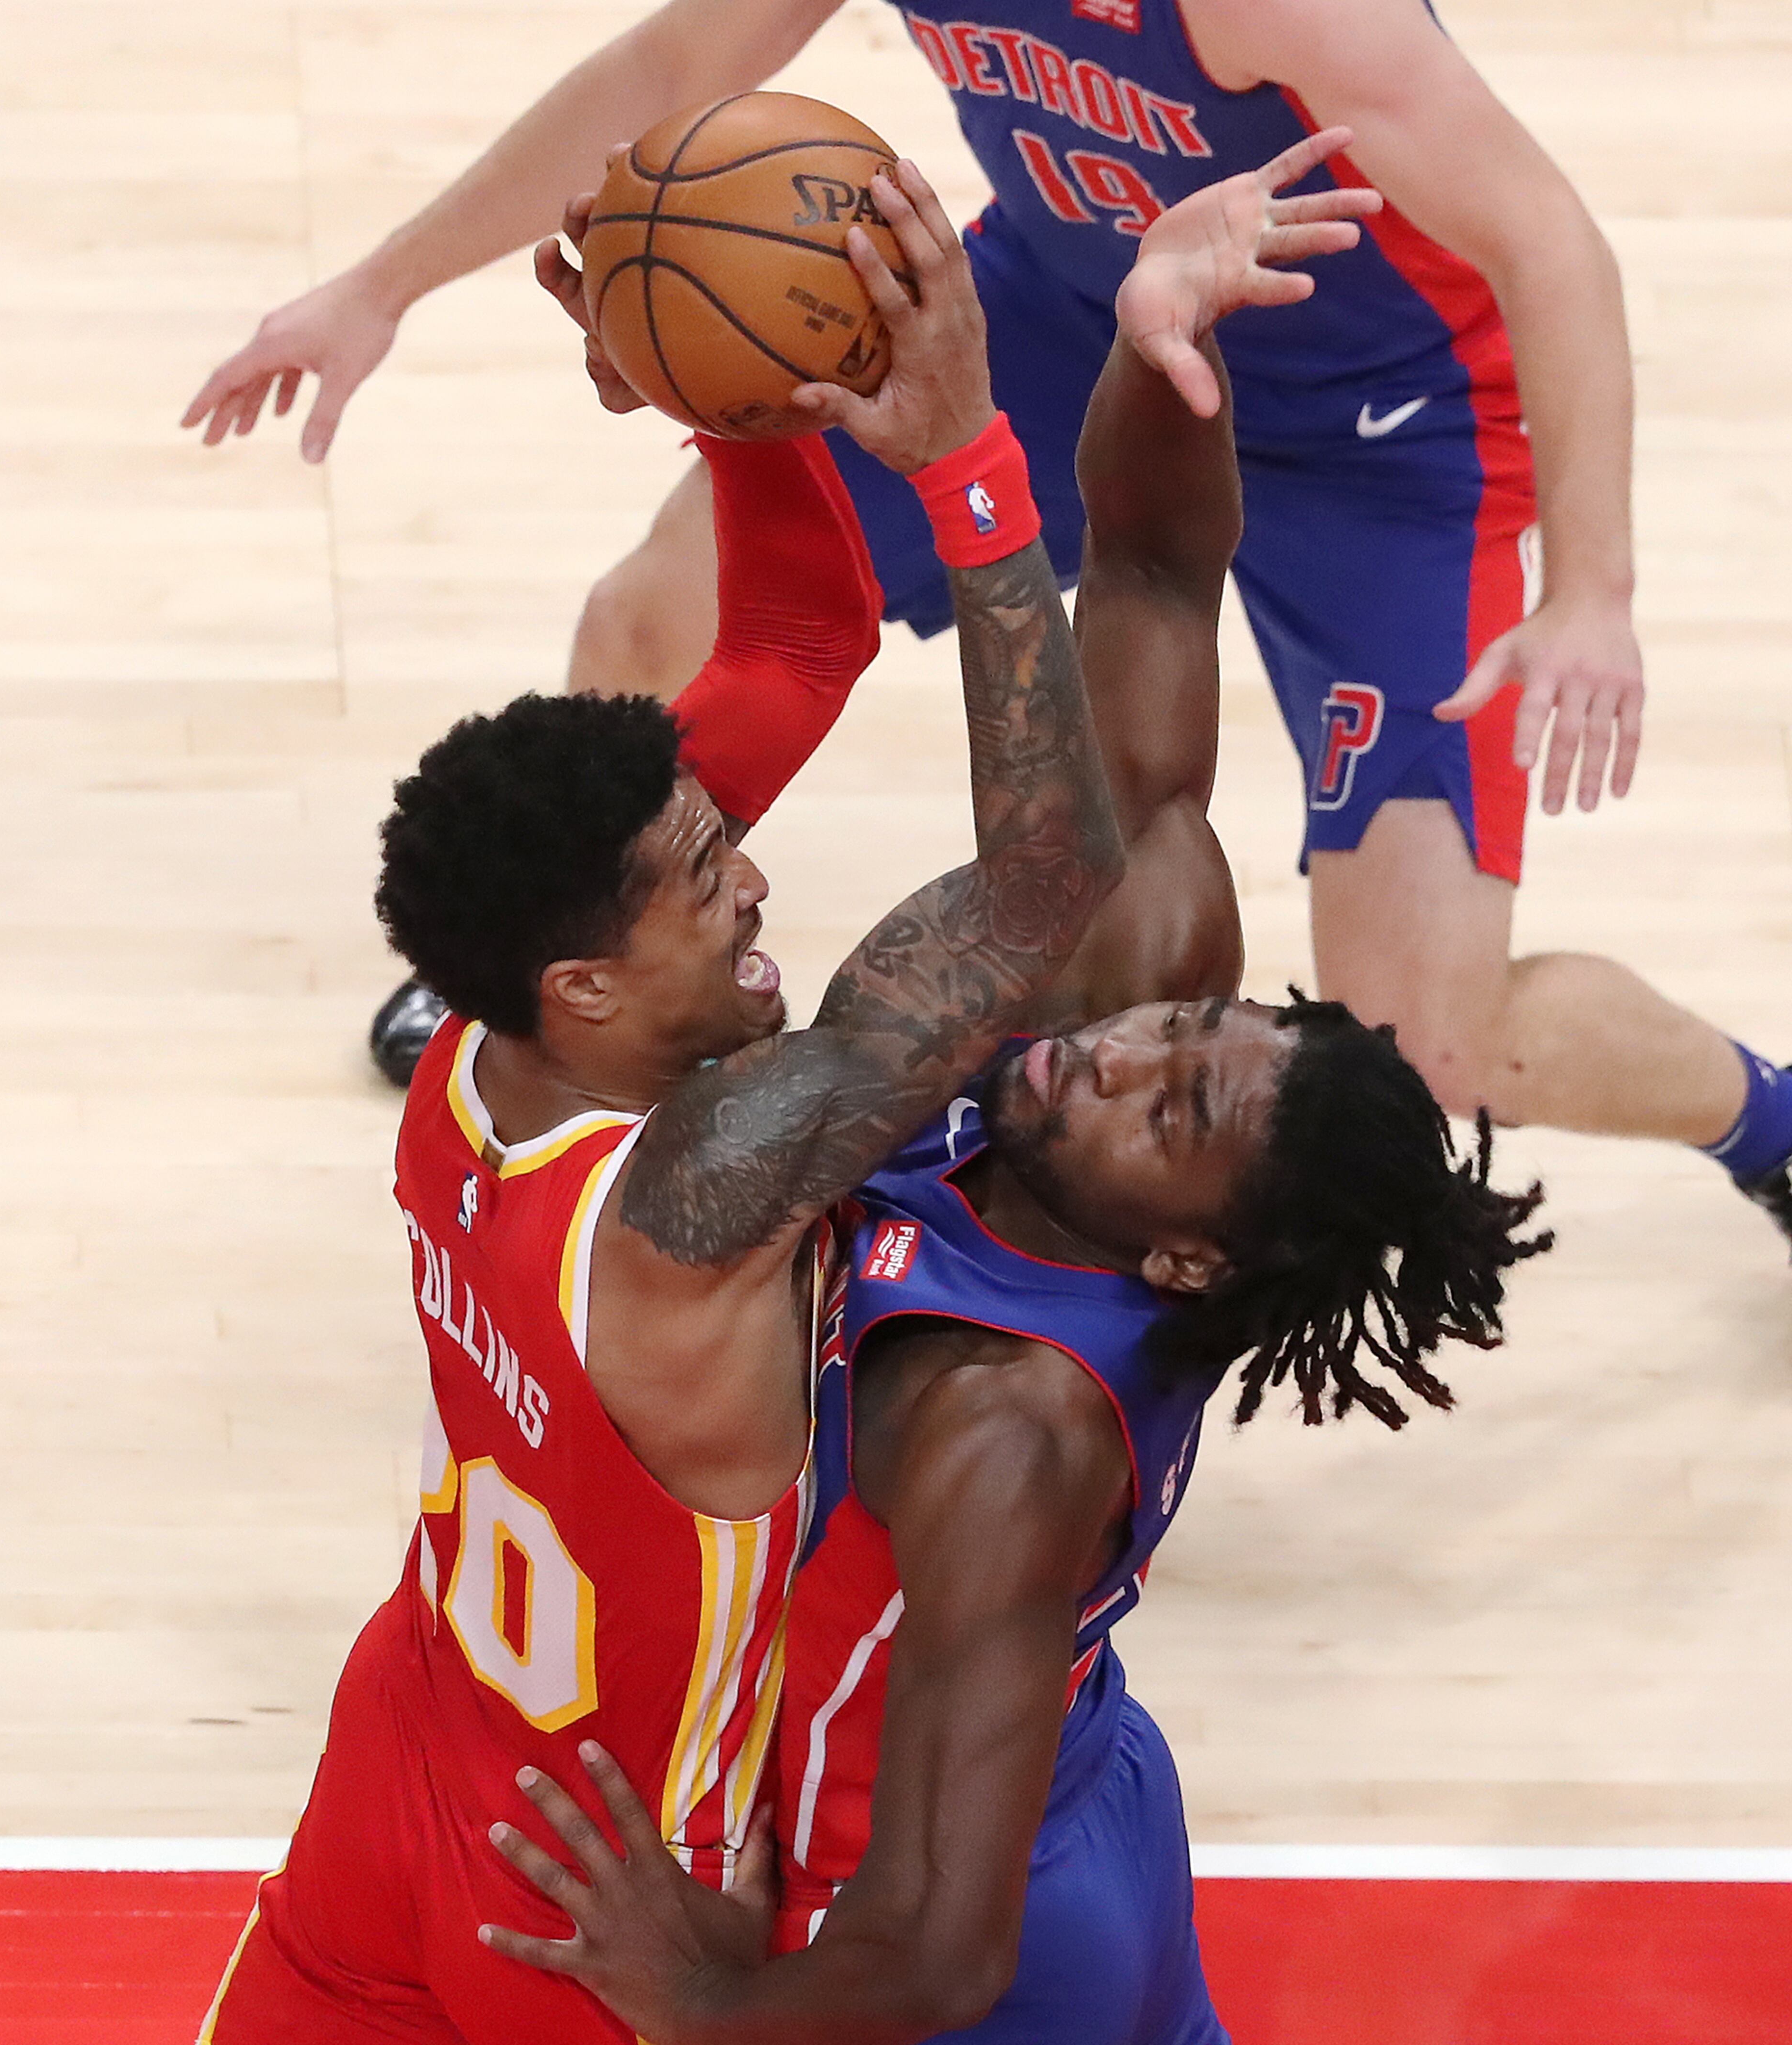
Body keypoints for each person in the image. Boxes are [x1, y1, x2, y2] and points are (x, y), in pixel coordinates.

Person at [31, 164, 1128, 2045]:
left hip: (413, 1760)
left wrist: (737, 400)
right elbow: (1038, 890)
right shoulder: (704, 1185)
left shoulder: (485, 1054)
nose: (748, 876)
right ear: (597, 990)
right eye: (696, 875)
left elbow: (799, 642)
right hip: (605, 1885)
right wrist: (973, 471)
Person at [478, 265, 1551, 2045]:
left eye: (1172, 1107)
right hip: (1098, 1824)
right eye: (1188, 1038)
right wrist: (1164, 338)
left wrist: (708, 1980)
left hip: (931, 1973)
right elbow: (1149, 573)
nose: (1120, 1053)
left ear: (1178, 1251)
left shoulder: (1007, 1429)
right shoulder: (1112, 1063)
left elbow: (939, 1939)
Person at [182, 0, 1792, 1257]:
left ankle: (1771, 1122)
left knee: (1432, 1036)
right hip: (1077, 307)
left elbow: (1552, 245)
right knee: (649, 614)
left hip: (1392, 434)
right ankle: (582, 1006)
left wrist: (1594, 590)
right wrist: (383, 287)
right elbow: (669, 67)